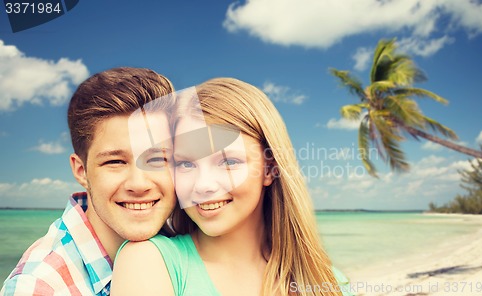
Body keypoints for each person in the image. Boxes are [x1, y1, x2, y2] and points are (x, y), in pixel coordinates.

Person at [111, 78, 352, 295]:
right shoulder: (149, 262)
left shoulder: (329, 282)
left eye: (228, 162)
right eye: (185, 164)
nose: (203, 185)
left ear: (269, 169)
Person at [0, 67, 177, 295]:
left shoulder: (188, 243)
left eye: (156, 159)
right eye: (115, 162)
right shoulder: (40, 286)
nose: (139, 184)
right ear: (81, 171)